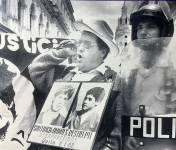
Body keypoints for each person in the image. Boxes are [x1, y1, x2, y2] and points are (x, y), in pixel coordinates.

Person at [28, 20, 121, 150]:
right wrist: (61, 52)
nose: (80, 48)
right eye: (79, 43)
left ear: (103, 52)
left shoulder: (113, 83)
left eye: (87, 45)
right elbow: (35, 70)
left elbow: (116, 133)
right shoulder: (65, 74)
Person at [118, 1, 176, 150]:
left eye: (151, 26)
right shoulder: (131, 71)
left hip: (168, 145)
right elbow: (124, 113)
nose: (143, 32)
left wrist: (159, 119)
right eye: (139, 27)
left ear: (163, 31)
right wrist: (128, 135)